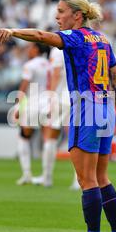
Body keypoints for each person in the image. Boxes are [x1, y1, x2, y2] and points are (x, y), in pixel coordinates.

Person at [0, 0, 116, 232]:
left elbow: (42, 37)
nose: (57, 17)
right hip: (105, 108)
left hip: (85, 108)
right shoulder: (103, 39)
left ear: (77, 16)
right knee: (101, 177)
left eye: (61, 11)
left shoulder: (75, 37)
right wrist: (110, 105)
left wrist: (12, 31)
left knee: (86, 179)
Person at [31, 46, 80, 189]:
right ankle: (77, 180)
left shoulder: (58, 48)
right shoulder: (82, 44)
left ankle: (46, 177)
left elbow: (56, 74)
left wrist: (50, 96)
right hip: (79, 96)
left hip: (61, 97)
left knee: (51, 136)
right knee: (77, 138)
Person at [13, 43, 52, 186]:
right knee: (49, 140)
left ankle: (27, 174)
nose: (29, 50)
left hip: (33, 103)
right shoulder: (50, 64)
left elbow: (24, 86)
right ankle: (47, 177)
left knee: (24, 137)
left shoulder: (30, 65)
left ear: (37, 49)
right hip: (48, 102)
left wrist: (17, 106)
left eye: (31, 47)